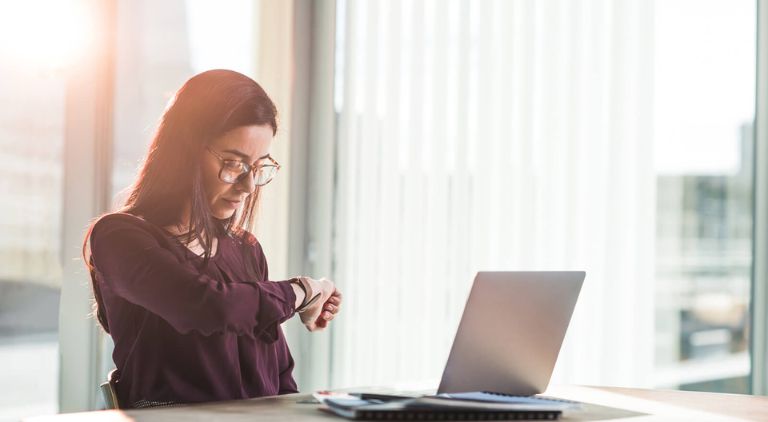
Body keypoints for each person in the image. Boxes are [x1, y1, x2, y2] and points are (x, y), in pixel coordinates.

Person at [83, 69, 342, 409]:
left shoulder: (245, 248)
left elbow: (277, 374)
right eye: (233, 163)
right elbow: (206, 306)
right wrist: (302, 291)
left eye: (259, 166)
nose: (248, 187)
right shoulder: (119, 237)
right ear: (184, 152)